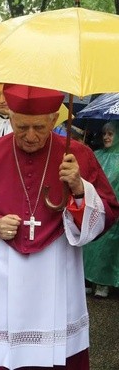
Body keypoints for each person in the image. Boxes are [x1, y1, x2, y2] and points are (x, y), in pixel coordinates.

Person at [0, 84, 119, 369]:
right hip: (1, 272)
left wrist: (79, 187)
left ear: (54, 119)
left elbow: (108, 214)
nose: (29, 136)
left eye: (39, 127)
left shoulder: (77, 155)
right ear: (11, 116)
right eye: (21, 126)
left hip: (56, 268)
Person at [83, 121, 119, 298]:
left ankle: (103, 282)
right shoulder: (96, 155)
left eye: (111, 133)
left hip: (114, 211)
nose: (106, 137)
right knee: (91, 244)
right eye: (104, 133)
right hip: (94, 207)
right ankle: (88, 279)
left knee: (107, 247)